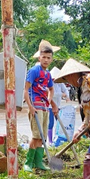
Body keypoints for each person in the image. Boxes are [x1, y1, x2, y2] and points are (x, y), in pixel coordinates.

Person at [23, 40, 59, 171]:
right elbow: (26, 90)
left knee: (43, 137)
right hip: (36, 107)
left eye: (48, 58)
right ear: (39, 57)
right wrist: (30, 107)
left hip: (44, 107)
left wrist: (50, 102)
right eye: (43, 57)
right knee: (36, 136)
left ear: (51, 59)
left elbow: (51, 89)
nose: (46, 60)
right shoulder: (34, 71)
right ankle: (28, 162)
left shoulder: (48, 74)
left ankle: (38, 162)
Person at [49, 67, 70, 144]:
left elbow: (65, 89)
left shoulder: (60, 82)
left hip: (58, 106)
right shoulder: (49, 82)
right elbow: (51, 94)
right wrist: (62, 94)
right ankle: (50, 141)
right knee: (50, 124)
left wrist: (67, 97)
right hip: (50, 107)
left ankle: (58, 138)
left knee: (60, 123)